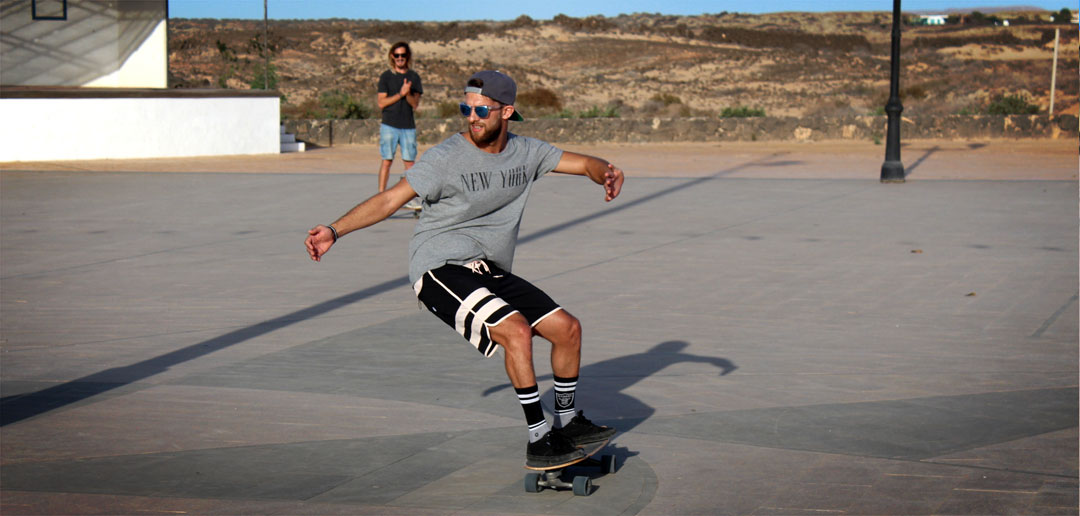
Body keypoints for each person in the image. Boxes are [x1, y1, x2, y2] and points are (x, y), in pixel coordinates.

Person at [305, 70, 624, 468]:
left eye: (482, 110)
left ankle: (568, 421)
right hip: (439, 266)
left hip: (487, 268)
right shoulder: (445, 158)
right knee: (516, 331)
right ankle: (539, 437)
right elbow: (390, 200)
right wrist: (335, 230)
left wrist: (607, 172)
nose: (472, 118)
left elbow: (584, 164)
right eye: (465, 109)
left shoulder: (528, 152)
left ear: (507, 111)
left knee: (568, 329)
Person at [376, 42, 422, 197]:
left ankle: (412, 196)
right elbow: (381, 102)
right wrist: (400, 94)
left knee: (410, 163)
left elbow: (415, 104)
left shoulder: (414, 77)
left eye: (403, 55)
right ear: (392, 56)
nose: (400, 58)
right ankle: (381, 196)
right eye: (397, 55)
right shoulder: (386, 77)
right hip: (389, 124)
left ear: (407, 56)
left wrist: (407, 93)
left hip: (408, 125)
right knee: (387, 161)